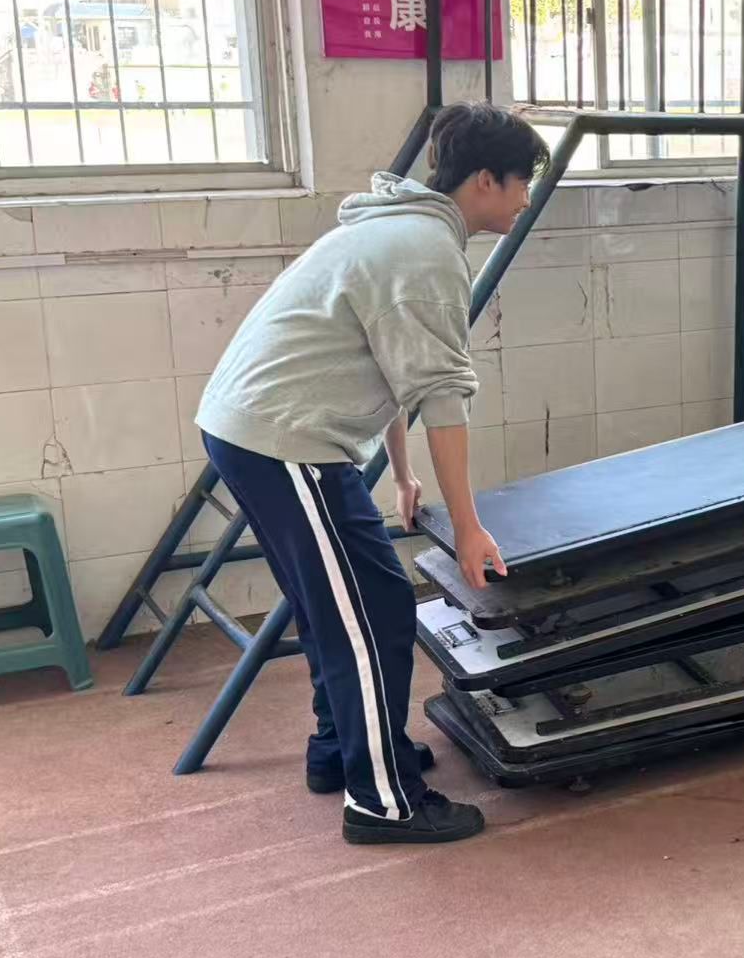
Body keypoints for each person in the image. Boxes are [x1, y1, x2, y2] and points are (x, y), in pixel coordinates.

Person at [196, 102, 547, 843]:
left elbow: (390, 364)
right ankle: (383, 802)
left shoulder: (398, 231)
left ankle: (343, 750)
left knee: (343, 606)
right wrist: (470, 526)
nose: (526, 199)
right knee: (375, 610)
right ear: (485, 180)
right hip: (284, 441)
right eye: (522, 182)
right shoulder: (425, 250)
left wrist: (401, 474)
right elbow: (441, 393)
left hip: (268, 434)